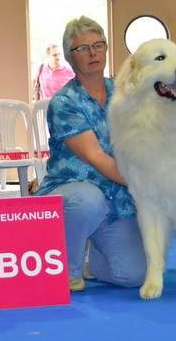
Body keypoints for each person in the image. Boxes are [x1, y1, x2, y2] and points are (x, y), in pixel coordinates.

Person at [34, 16, 146, 292]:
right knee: (88, 199)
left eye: (98, 45)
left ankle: (94, 258)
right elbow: (95, 157)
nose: (93, 53)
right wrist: (146, 184)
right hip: (72, 193)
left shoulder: (124, 94)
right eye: (82, 48)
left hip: (116, 197)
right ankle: (67, 271)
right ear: (71, 58)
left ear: (107, 49)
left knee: (134, 276)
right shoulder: (64, 102)